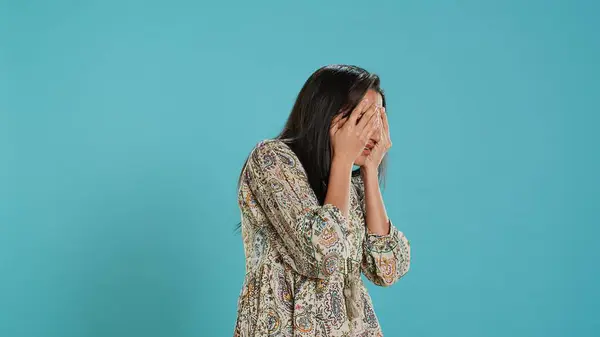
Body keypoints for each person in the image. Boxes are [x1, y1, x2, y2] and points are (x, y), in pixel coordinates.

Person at [233, 65, 411, 337]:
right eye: (360, 119)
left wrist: (370, 171)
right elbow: (322, 256)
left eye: (376, 121)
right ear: (324, 112)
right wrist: (342, 160)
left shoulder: (352, 184)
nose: (370, 133)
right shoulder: (271, 161)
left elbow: (387, 268)